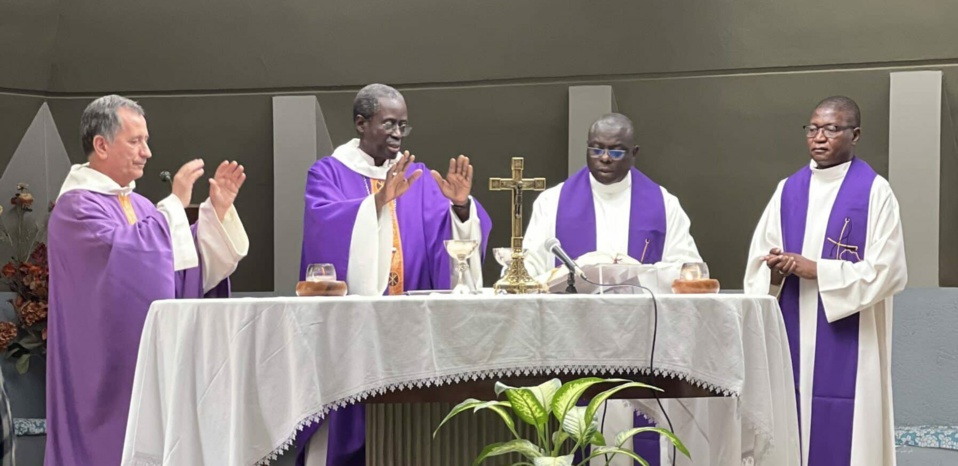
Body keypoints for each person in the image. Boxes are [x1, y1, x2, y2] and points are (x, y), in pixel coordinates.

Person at [45, 95, 250, 466]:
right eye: (136, 141)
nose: (147, 152)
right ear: (101, 145)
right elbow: (127, 263)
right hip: (102, 371)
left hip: (145, 365)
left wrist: (214, 214)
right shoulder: (75, 208)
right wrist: (173, 205)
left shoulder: (138, 206)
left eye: (146, 140)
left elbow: (178, 272)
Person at [297, 83, 492, 465]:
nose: (398, 134)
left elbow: (452, 245)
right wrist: (375, 204)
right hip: (352, 335)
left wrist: (461, 207)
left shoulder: (416, 176)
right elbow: (323, 228)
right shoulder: (328, 173)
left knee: (408, 437)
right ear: (360, 123)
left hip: (410, 333)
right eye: (389, 124)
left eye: (404, 126)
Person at [523, 113, 702, 465]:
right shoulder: (552, 202)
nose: (605, 158)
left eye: (616, 151)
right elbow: (531, 274)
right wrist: (571, 274)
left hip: (642, 345)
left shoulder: (664, 204)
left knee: (640, 440)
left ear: (634, 152)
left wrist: (639, 272)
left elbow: (688, 272)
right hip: (574, 342)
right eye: (596, 149)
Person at [744, 96, 907, 465]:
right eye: (813, 128)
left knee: (847, 430)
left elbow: (890, 270)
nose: (819, 137)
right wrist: (774, 268)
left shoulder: (875, 192)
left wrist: (816, 270)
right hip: (791, 327)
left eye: (832, 129)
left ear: (856, 134)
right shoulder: (787, 190)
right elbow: (757, 262)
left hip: (851, 333)